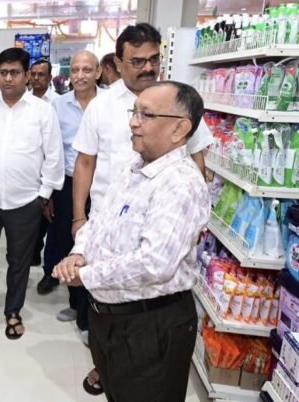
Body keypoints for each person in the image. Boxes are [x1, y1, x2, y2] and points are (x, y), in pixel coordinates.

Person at [69, 22, 213, 396]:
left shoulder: (178, 181)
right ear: (119, 62)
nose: (134, 122)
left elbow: (154, 264)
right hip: (113, 312)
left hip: (150, 321)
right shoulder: (134, 164)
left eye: (145, 116)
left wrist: (87, 274)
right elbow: (99, 205)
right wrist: (81, 244)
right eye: (135, 113)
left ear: (179, 130)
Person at [0, 47, 64, 340]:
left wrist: (44, 193)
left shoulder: (43, 112)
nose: (8, 78)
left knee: (19, 259)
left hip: (26, 201)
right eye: (3, 73)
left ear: (27, 76)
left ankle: (13, 310)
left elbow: (53, 155)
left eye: (15, 73)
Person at [37, 51, 103, 345]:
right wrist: (49, 191)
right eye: (75, 70)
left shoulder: (108, 103)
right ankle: (77, 304)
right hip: (67, 184)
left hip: (102, 185)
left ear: (98, 72)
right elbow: (50, 150)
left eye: (87, 69)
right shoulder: (58, 105)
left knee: (97, 247)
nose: (80, 75)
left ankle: (91, 314)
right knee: (70, 243)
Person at [29, 58, 58, 267]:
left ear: (49, 78)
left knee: (50, 217)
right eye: (33, 74)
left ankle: (47, 259)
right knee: (32, 220)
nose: (36, 78)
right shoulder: (23, 101)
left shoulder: (57, 103)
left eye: (41, 74)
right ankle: (33, 251)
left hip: (51, 168)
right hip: (30, 171)